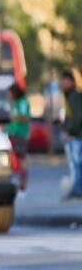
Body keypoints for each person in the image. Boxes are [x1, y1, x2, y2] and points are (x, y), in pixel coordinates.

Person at [60, 70, 82, 200]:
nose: (63, 83)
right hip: (75, 135)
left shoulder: (74, 96)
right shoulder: (70, 95)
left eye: (66, 81)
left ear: (72, 82)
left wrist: (70, 131)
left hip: (76, 136)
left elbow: (78, 116)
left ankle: (77, 190)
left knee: (76, 164)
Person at [6, 83, 30, 194]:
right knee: (17, 159)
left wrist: (13, 118)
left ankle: (23, 184)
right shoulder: (16, 103)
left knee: (21, 159)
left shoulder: (22, 102)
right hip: (14, 133)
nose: (8, 95)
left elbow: (24, 117)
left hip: (20, 133)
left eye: (10, 93)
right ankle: (20, 183)